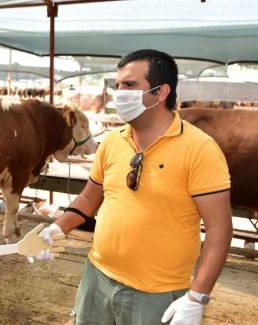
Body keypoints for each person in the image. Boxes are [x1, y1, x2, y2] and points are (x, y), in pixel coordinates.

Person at [34, 49, 233, 325]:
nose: (119, 93)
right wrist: (57, 228)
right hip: (97, 277)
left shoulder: (200, 149)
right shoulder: (114, 141)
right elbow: (89, 198)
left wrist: (197, 296)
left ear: (160, 92)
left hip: (155, 293)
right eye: (117, 85)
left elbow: (219, 228)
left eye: (129, 85)